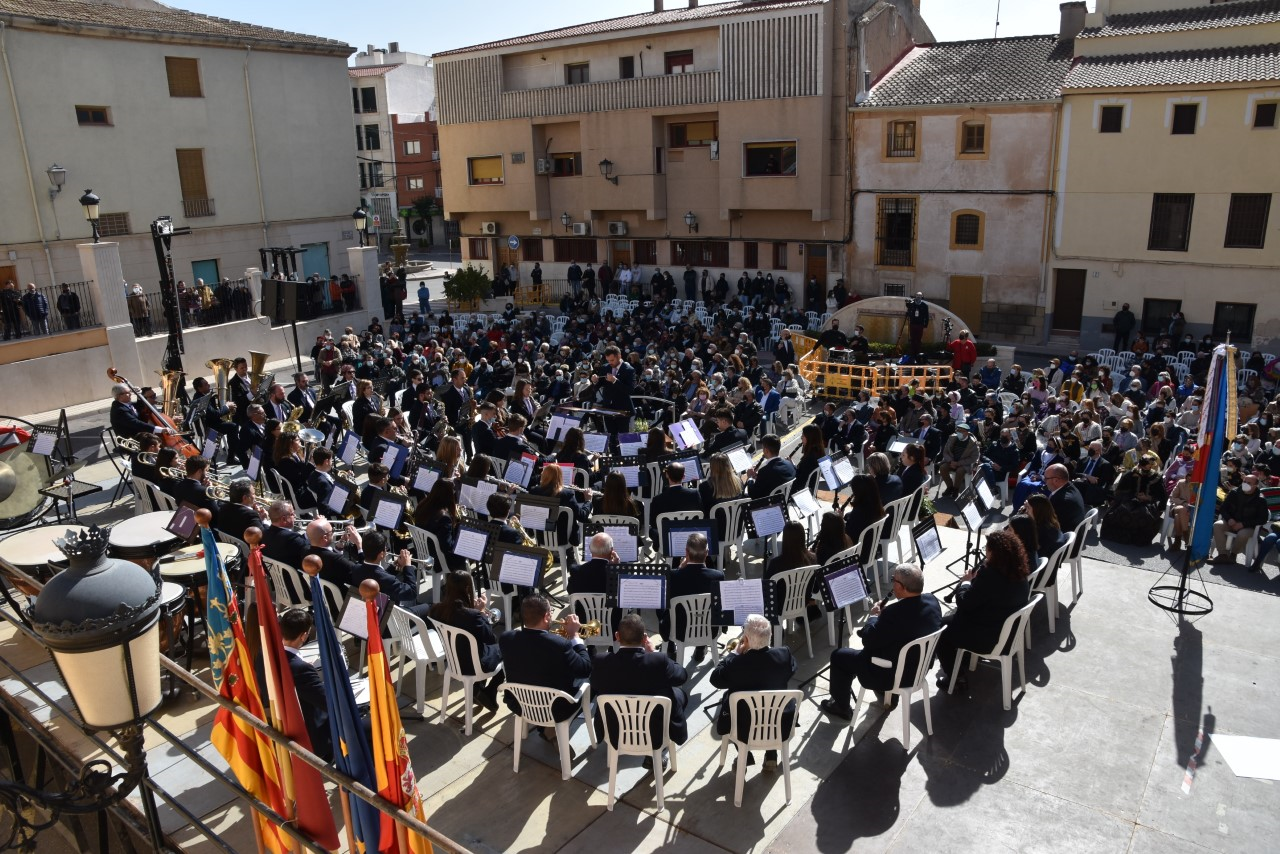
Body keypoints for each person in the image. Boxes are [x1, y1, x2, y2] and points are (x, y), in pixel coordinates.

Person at [820, 563, 942, 720]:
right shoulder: (932, 601)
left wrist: (873, 617)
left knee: (839, 656)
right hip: (918, 668)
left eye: (893, 580)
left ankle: (841, 706)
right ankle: (889, 696)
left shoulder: (893, 614)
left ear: (901, 586)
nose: (892, 583)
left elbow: (868, 641)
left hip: (892, 674)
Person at [935, 529, 1031, 691]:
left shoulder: (990, 576)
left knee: (941, 629)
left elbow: (965, 603)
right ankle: (964, 659)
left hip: (990, 637)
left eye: (987, 549)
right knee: (952, 620)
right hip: (1008, 631)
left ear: (994, 553)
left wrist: (966, 582)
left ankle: (956, 679)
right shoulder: (1019, 571)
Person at [592, 613, 691, 752]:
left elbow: (595, 685)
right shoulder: (659, 661)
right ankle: (659, 751)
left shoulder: (601, 661)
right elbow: (682, 676)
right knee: (679, 694)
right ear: (645, 638)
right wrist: (654, 652)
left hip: (615, 731)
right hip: (653, 733)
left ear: (617, 636)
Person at [709, 613, 797, 769]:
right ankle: (771, 755)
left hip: (745, 728)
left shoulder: (736, 665)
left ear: (746, 639)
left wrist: (734, 654)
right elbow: (792, 669)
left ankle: (744, 755)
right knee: (771, 701)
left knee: (728, 698)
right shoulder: (785, 655)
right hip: (779, 723)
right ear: (770, 635)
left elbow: (715, 679)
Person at [498, 593, 593, 731]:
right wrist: (574, 636)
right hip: (556, 710)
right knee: (589, 678)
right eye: (551, 612)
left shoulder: (506, 638)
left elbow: (534, 654)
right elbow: (585, 669)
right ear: (547, 616)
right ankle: (547, 729)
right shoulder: (560, 645)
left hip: (518, 704)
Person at [430, 570, 504, 711]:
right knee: (506, 649)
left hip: (453, 661)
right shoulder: (473, 616)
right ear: (467, 588)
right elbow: (490, 639)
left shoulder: (436, 610)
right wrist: (481, 613)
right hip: (473, 665)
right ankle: (489, 691)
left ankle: (477, 689)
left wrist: (474, 611)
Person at [277, 608, 333, 761]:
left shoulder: (267, 654)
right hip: (311, 733)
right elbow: (328, 702)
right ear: (303, 636)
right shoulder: (301, 669)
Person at [660, 532, 724, 662]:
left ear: (686, 553)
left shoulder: (672, 575)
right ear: (707, 553)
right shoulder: (718, 576)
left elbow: (664, 603)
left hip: (678, 630)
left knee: (662, 606)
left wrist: (679, 569)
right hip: (708, 629)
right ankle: (700, 649)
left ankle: (670, 648)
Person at [1101, 452, 1166, 546]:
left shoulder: (1157, 477)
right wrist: (1134, 496)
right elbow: (1121, 489)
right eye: (1147, 464)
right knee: (1121, 511)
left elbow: (1161, 495)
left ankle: (1138, 541)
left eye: (1151, 465)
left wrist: (1148, 497)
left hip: (1148, 503)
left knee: (1144, 515)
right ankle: (1119, 537)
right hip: (1130, 499)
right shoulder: (1132, 473)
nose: (1150, 466)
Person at [1210, 474, 1269, 566]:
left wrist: (1243, 524)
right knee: (1217, 525)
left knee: (1242, 534)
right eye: (1244, 482)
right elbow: (1223, 508)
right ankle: (1222, 554)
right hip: (1231, 522)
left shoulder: (1261, 500)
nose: (1245, 484)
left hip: (1248, 527)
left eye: (1249, 483)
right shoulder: (1234, 493)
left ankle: (1233, 555)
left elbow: (1263, 519)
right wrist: (1229, 519)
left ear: (1255, 486)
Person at [843, 474, 886, 562]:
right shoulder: (876, 506)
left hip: (858, 554)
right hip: (871, 549)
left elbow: (848, 536)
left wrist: (839, 521)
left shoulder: (858, 513)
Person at [746, 435, 795, 500]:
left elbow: (753, 495)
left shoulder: (764, 471)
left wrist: (750, 478)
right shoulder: (789, 464)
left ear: (766, 450)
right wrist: (759, 477)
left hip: (770, 503)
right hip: (786, 500)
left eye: (763, 448)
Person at [939, 422, 980, 497]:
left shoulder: (973, 443)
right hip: (951, 461)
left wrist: (958, 463)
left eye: (961, 431)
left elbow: (974, 457)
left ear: (967, 432)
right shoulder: (952, 438)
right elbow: (945, 451)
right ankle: (950, 487)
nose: (959, 433)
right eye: (958, 430)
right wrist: (951, 461)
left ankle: (956, 489)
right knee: (942, 468)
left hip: (964, 464)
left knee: (960, 471)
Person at [262, 501, 308, 569]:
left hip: (275, 574)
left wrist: (307, 534)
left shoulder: (265, 533)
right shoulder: (292, 538)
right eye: (292, 514)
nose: (295, 516)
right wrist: (315, 530)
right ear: (284, 519)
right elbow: (311, 550)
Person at [216, 478, 262, 543]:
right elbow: (263, 538)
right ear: (245, 498)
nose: (255, 496)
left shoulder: (223, 508)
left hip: (229, 544)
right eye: (253, 494)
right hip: (247, 548)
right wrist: (264, 520)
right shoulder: (251, 515)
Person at [1044, 463, 1086, 532]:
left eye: (1046, 479)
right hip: (1072, 529)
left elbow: (1047, 524)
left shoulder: (1060, 500)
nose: (1044, 481)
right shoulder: (1071, 486)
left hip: (1065, 535)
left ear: (1056, 480)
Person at [1072, 440, 1115, 508]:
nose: (1089, 450)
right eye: (1089, 448)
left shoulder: (1105, 464)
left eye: (1092, 449)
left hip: (1092, 488)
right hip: (1079, 482)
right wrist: (1086, 476)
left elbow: (1102, 482)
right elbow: (1074, 474)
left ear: (1098, 451)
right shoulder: (1082, 460)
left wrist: (1088, 480)